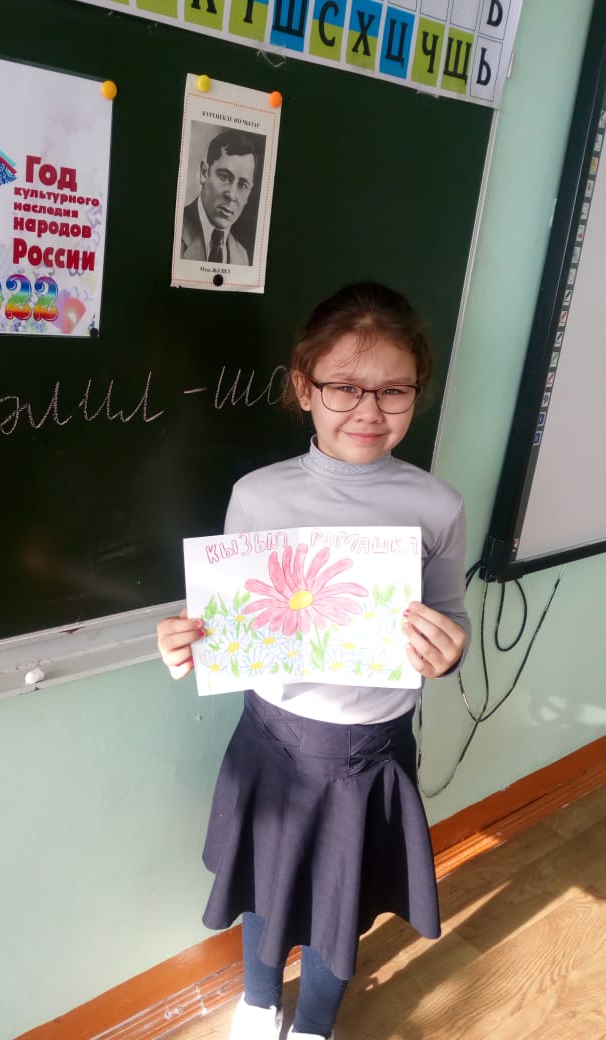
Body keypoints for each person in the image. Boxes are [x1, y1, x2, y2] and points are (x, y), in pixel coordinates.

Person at [156, 281, 470, 1040]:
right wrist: (185, 640)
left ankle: (315, 1022)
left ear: (417, 393)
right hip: (273, 735)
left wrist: (448, 650)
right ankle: (259, 1000)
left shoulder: (436, 506)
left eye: (393, 390)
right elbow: (222, 617)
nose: (369, 409)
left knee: (341, 897)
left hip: (369, 751)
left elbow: (450, 617)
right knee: (266, 879)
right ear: (305, 388)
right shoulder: (258, 495)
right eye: (345, 387)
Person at [180, 128, 256, 266]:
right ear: (204, 172)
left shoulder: (242, 257)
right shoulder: (176, 229)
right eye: (224, 177)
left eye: (243, 185)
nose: (231, 195)